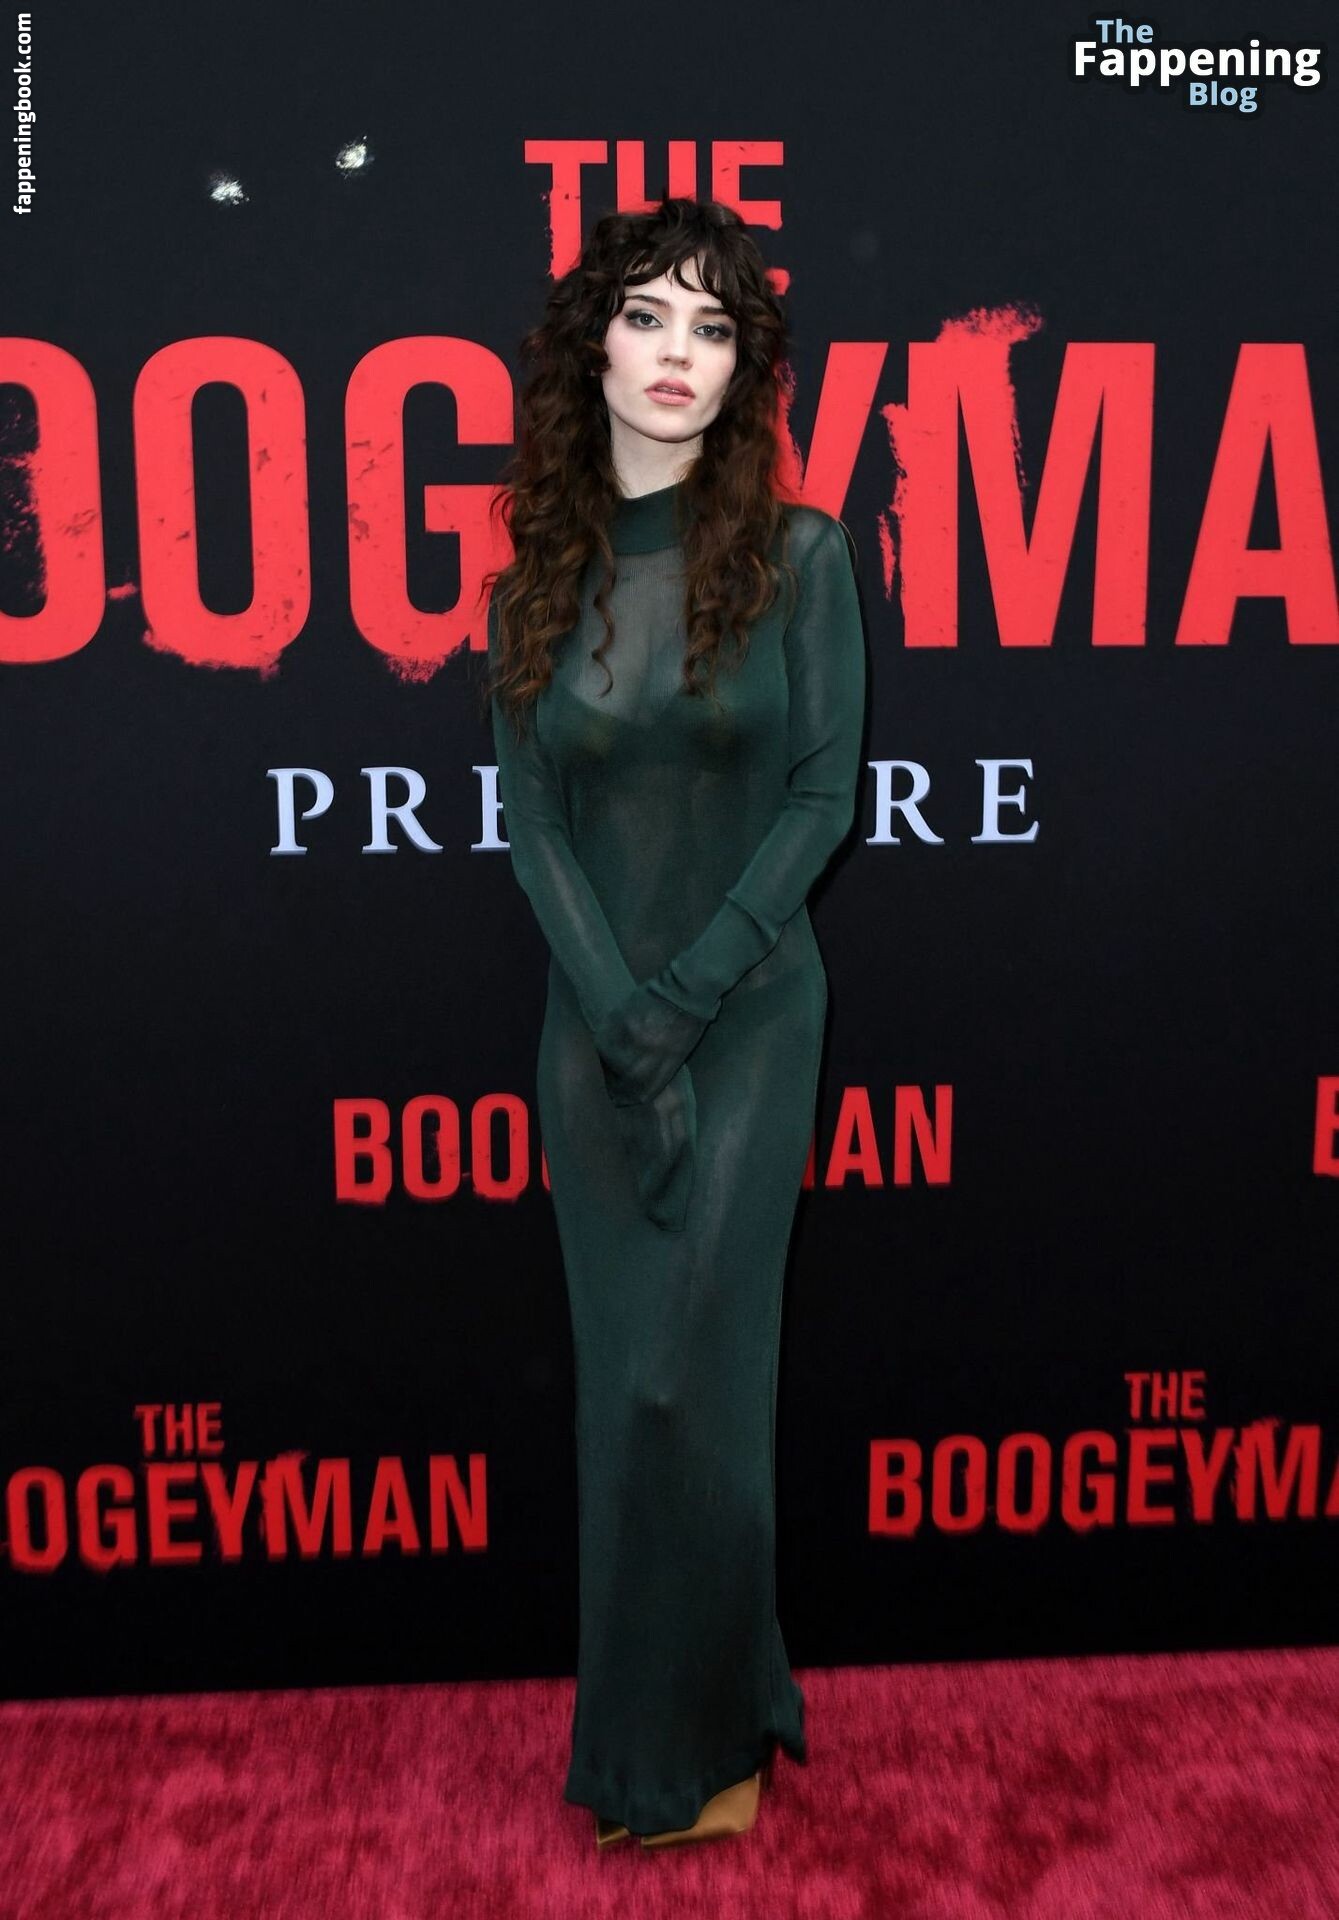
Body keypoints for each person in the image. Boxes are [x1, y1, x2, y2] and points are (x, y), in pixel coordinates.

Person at [479, 195, 867, 1849]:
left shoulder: (802, 558)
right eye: (648, 316)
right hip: (592, 1033)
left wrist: (690, 995)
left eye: (714, 329)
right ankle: (668, 1726)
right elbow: (532, 824)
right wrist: (618, 1013)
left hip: (752, 1022)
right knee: (622, 1393)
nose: (677, 355)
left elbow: (822, 798)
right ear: (595, 348)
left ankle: (700, 1744)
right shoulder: (535, 575)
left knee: (697, 1389)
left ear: (742, 370)